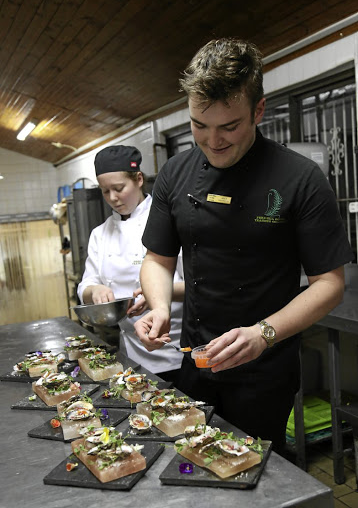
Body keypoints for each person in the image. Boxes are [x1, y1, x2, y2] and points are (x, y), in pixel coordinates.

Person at [134, 38, 354, 455]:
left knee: (252, 471)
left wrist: (263, 333)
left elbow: (330, 284)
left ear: (258, 111)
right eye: (200, 125)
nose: (212, 140)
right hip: (195, 358)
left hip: (265, 367)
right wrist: (159, 306)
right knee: (190, 463)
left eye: (229, 126)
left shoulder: (300, 179)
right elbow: (157, 260)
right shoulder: (175, 174)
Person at [77, 145, 185, 383]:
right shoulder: (100, 233)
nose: (113, 198)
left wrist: (157, 295)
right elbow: (86, 285)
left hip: (175, 347)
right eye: (105, 191)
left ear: (138, 179)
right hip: (131, 351)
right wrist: (95, 290)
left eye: (118, 188)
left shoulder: (169, 220)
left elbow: (197, 285)